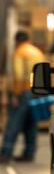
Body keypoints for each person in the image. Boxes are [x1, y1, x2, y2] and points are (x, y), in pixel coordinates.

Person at [0, 31, 44, 163]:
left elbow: (18, 76)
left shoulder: (19, 53)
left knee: (14, 122)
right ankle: (29, 152)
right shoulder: (37, 52)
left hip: (24, 92)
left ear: (17, 41)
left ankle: (5, 152)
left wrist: (16, 95)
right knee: (30, 123)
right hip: (37, 92)